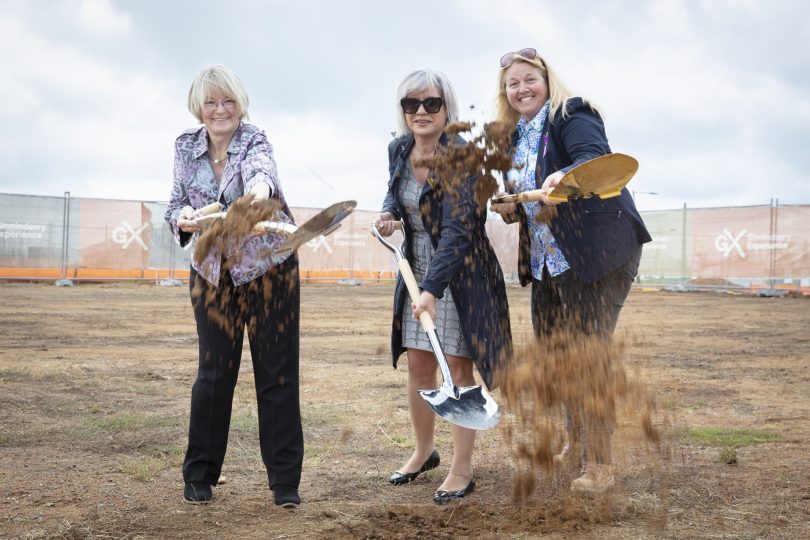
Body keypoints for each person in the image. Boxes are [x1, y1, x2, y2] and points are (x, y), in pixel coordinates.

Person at [489, 48, 652, 494]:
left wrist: (563, 174)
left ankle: (599, 463)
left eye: (529, 80)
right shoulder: (512, 138)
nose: (522, 89)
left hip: (596, 253)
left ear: (546, 80)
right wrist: (510, 206)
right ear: (504, 93)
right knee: (559, 358)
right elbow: (525, 197)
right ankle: (577, 443)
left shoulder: (570, 112)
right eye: (513, 83)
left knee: (586, 355)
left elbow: (594, 159)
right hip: (546, 262)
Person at [165, 65, 303, 508]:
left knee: (276, 375)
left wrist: (259, 192)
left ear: (239, 104)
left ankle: (285, 484)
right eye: (211, 101)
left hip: (268, 269)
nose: (220, 109)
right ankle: (199, 474)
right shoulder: (185, 147)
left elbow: (262, 175)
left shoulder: (254, 139)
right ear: (198, 107)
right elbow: (176, 202)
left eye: (227, 101)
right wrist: (181, 220)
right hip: (212, 274)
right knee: (213, 374)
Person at [374, 70, 513, 504]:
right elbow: (395, 196)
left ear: (446, 107)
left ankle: (462, 468)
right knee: (419, 366)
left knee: (457, 369)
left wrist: (432, 288)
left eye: (430, 103)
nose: (420, 111)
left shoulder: (464, 156)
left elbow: (459, 230)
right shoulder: (399, 149)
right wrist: (388, 215)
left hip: (460, 275)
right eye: (410, 104)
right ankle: (424, 452)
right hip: (415, 271)